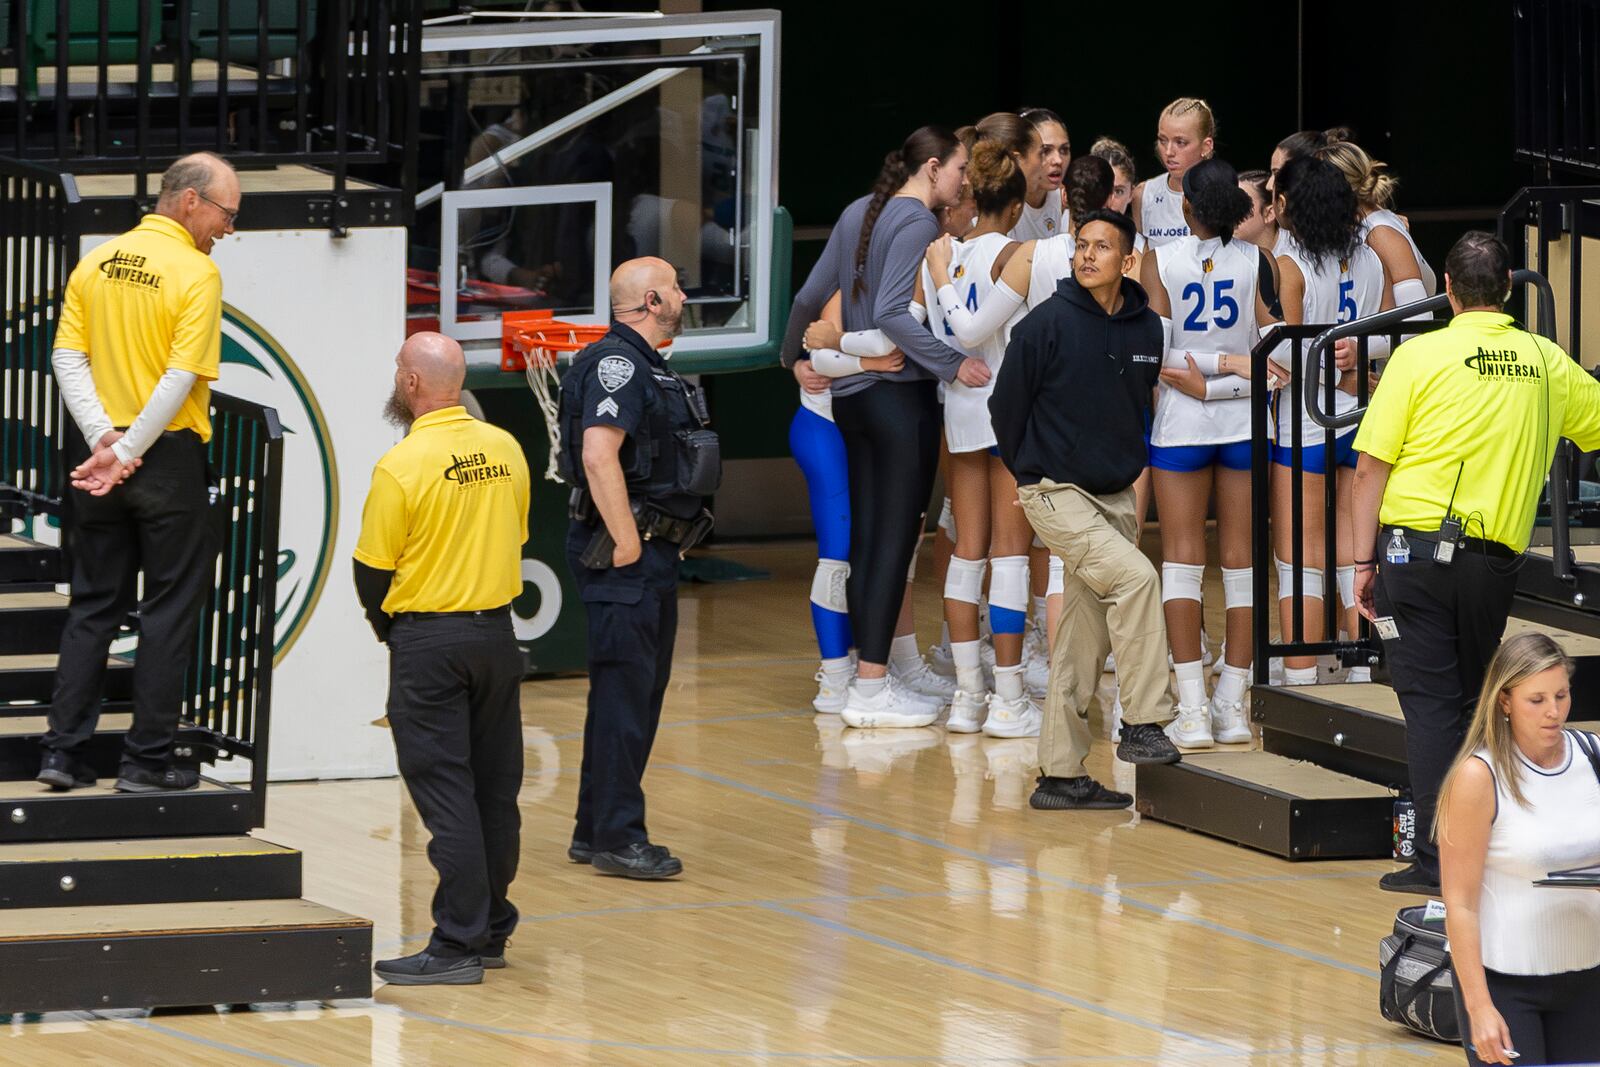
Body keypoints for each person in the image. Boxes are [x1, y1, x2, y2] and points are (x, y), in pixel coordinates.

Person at [1351, 230, 1600, 895]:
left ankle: (1441, 863)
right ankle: (1483, 848)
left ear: (1448, 289)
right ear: (1510, 290)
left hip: (1416, 552)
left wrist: (1359, 561)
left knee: (1432, 704)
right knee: (1466, 700)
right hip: (1494, 563)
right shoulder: (1546, 360)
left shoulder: (1421, 355)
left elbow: (1371, 465)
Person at [39, 153, 238, 795]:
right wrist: (127, 452)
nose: (228, 228)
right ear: (189, 202)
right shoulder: (196, 272)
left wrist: (103, 438)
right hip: (164, 459)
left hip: (101, 456)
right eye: (227, 213)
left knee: (94, 604)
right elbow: (181, 378)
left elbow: (66, 357)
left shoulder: (96, 261)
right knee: (168, 610)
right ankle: (145, 763)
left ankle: (62, 755)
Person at [781, 127, 989, 729]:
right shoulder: (921, 225)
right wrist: (954, 363)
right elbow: (895, 315)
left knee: (872, 543)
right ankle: (872, 685)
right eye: (958, 170)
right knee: (892, 545)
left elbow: (807, 296)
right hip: (899, 404)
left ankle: (869, 681)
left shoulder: (856, 212)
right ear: (932, 168)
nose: (963, 181)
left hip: (853, 402)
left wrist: (790, 357)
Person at [991, 209, 1183, 812]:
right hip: (1054, 492)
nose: (1087, 255)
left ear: (1128, 262)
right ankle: (1145, 723)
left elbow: (1135, 406)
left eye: (1103, 247)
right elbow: (1005, 407)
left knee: (1081, 637)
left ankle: (1060, 775)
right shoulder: (1045, 324)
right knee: (1137, 578)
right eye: (1081, 246)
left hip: (1115, 497)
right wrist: (1029, 471)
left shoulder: (1148, 329)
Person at [354, 332, 530, 986]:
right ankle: (488, 928)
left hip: (429, 639)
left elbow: (373, 570)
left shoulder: (402, 464)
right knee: (493, 789)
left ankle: (455, 943)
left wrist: (391, 632)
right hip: (497, 636)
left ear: (411, 384)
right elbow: (515, 536)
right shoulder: (506, 448)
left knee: (446, 794)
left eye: (399, 370)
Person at [559, 256, 717, 878]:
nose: (682, 294)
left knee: (628, 695)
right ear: (652, 301)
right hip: (627, 554)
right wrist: (627, 540)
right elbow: (600, 455)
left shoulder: (647, 365)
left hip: (652, 551)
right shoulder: (619, 364)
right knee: (627, 697)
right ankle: (619, 838)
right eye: (674, 287)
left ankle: (593, 826)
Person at [1141, 158, 1282, 748]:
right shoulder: (1259, 260)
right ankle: (1231, 704)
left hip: (1181, 426)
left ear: (1186, 206)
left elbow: (1160, 354)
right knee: (1244, 563)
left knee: (1180, 561)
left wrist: (1203, 381)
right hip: (1246, 421)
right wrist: (1231, 374)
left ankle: (1193, 708)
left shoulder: (1160, 260)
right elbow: (1276, 359)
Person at [1434, 633, 1600, 1066]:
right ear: (1504, 701)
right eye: (1537, 700)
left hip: (1589, 983)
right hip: (1506, 989)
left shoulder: (1593, 757)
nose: (1553, 711)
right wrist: (1479, 1008)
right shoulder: (1477, 778)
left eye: (1561, 696)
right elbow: (1460, 904)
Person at [922, 140, 1038, 737]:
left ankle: (969, 696)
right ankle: (1009, 697)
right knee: (1011, 556)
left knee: (969, 550)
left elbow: (919, 331)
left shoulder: (939, 254)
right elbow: (978, 330)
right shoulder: (1019, 254)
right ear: (1016, 205)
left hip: (960, 414)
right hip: (1009, 415)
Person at [1270, 155, 1392, 687]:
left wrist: (1336, 371)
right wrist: (1356, 365)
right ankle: (1359, 671)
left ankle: (1300, 678)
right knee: (1352, 551)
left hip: (1305, 419)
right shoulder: (1367, 257)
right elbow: (1392, 330)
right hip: (1358, 419)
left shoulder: (1288, 263)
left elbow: (1289, 355)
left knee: (1300, 553)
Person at [789, 294, 904, 713]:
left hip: (862, 433)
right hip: (824, 428)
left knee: (868, 550)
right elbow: (818, 359)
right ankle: (834, 675)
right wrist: (869, 363)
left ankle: (866, 664)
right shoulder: (845, 287)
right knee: (836, 556)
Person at [1316, 139, 1438, 300]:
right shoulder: (1365, 224)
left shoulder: (1381, 233)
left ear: (1333, 189)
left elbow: (1416, 314)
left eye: (1315, 186)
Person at [1132, 98, 1216, 249]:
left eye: (1180, 142)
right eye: (1163, 140)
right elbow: (1139, 260)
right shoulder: (1144, 195)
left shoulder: (1229, 195)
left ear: (1206, 146)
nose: (1169, 152)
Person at [1014, 108, 1071, 240]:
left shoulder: (1063, 197)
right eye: (1046, 150)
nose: (1058, 160)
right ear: (1019, 155)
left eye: (1064, 149)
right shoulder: (1001, 202)